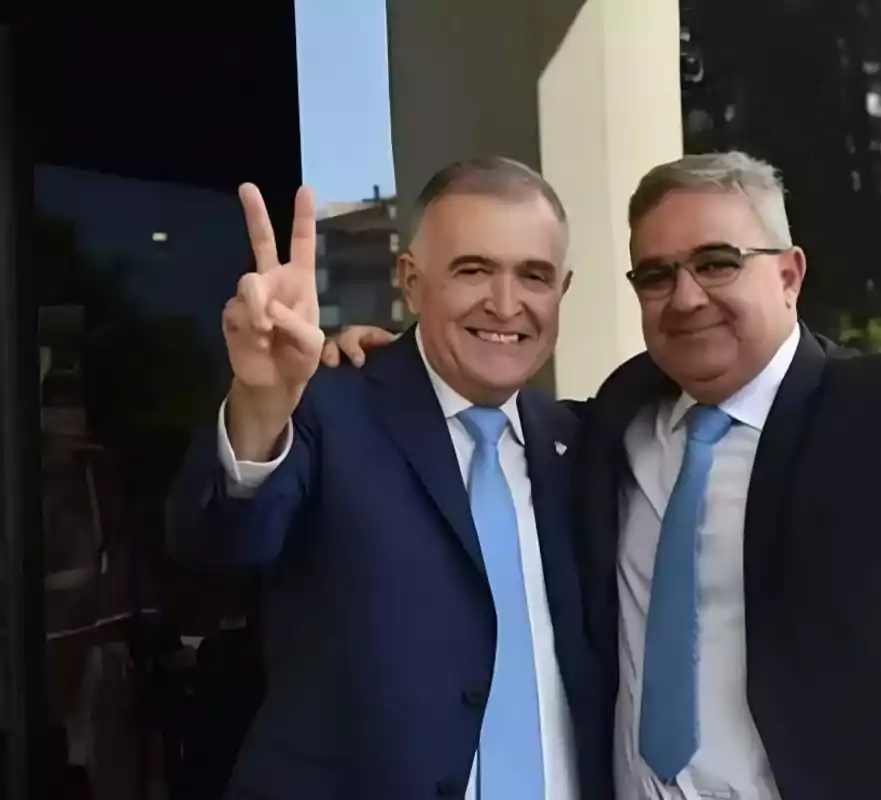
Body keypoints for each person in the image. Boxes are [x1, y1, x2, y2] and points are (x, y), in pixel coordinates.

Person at [326, 79, 881, 799]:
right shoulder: (614, 423)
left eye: (717, 263)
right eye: (656, 276)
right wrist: (407, 359)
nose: (685, 298)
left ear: (788, 275)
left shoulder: (879, 409)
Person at [166, 158, 612, 800]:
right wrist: (262, 402)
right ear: (411, 281)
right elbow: (213, 548)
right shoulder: (327, 407)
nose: (506, 303)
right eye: (473, 269)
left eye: (533, 276)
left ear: (562, 292)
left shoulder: (588, 445)